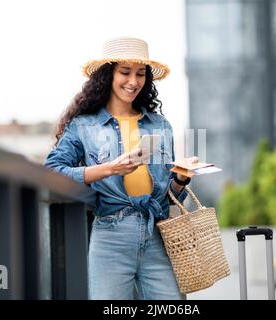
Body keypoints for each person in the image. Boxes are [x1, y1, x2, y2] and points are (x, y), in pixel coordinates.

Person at [44, 36, 197, 300]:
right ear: (108, 75)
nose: (133, 81)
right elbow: (52, 171)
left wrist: (181, 181)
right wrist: (110, 169)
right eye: (125, 72)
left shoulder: (160, 125)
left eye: (140, 74)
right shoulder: (84, 126)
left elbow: (170, 197)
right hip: (111, 237)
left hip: (158, 235)